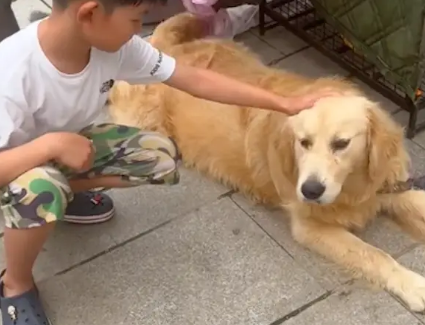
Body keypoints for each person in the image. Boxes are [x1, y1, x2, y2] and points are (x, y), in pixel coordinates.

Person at [0, 0, 342, 324]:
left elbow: (192, 78)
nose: (137, 32)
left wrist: (283, 103)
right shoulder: (12, 70)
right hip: (11, 169)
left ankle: (61, 195)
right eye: (135, 20)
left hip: (63, 149)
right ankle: (15, 284)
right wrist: (50, 145)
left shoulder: (110, 46)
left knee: (158, 156)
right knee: (39, 188)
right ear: (89, 14)